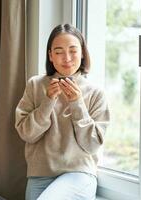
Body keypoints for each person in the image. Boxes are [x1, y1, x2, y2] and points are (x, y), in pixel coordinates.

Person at [15, 24, 110, 200]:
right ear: (50, 55)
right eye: (59, 52)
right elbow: (27, 134)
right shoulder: (35, 85)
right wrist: (47, 101)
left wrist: (77, 103)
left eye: (73, 51)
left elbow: (92, 144)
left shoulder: (96, 92)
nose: (66, 58)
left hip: (79, 174)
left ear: (82, 53)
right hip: (39, 174)